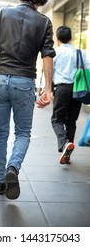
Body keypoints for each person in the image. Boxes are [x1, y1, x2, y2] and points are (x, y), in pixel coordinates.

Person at [0, 0, 55, 199]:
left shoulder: (2, 14)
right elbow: (47, 56)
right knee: (22, 132)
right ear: (39, 2)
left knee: (1, 133)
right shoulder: (43, 22)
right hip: (24, 83)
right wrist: (48, 89)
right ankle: (13, 167)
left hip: (0, 80)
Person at [51, 26, 90, 164]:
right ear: (71, 38)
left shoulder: (55, 53)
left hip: (62, 89)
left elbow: (50, 72)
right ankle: (68, 151)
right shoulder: (79, 52)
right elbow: (87, 70)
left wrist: (47, 90)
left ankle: (64, 143)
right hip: (77, 90)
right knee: (71, 121)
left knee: (57, 119)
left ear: (57, 38)